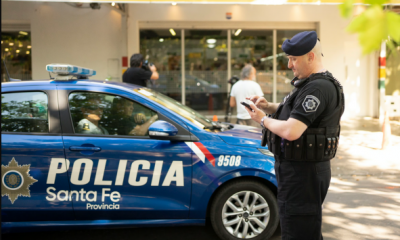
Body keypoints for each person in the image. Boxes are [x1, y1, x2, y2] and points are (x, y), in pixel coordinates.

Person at [245, 31, 345, 240]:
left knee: (298, 233)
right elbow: (298, 114)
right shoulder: (314, 83)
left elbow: (292, 131)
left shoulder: (317, 88)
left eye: (293, 59)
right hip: (303, 172)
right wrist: (268, 106)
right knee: (304, 230)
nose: (289, 65)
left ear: (310, 56)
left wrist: (262, 119)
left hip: (302, 175)